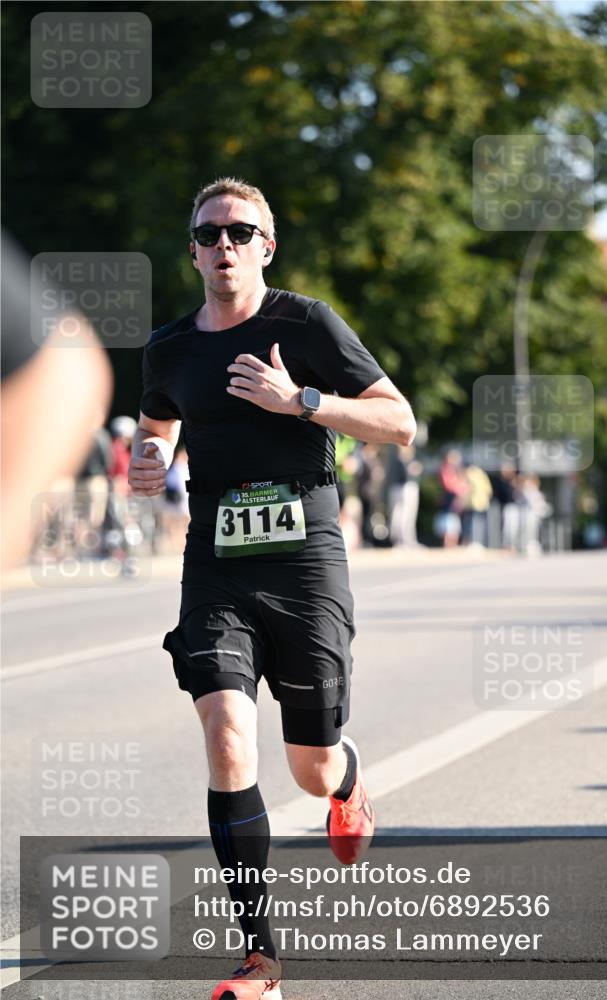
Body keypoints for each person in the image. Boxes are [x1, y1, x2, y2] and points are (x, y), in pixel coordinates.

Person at [128, 177, 416, 1000]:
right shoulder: (170, 348)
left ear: (265, 245)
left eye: (239, 231)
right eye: (209, 233)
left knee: (310, 767)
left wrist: (305, 402)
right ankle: (261, 958)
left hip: (304, 562)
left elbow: (399, 420)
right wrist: (148, 463)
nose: (224, 244)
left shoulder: (306, 323)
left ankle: (350, 781)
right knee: (225, 739)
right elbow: (155, 430)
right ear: (191, 250)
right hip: (216, 563)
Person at [1, 233, 112, 571]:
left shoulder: (100, 440)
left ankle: (74, 550)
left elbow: (63, 367)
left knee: (84, 517)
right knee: (68, 517)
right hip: (72, 482)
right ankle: (61, 548)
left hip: (87, 482)